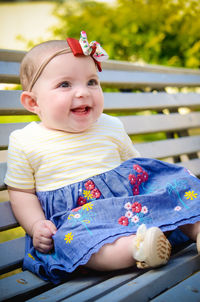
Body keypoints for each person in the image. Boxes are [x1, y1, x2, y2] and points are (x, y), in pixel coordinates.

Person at [4, 31, 200, 283]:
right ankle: (139, 248)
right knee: (78, 241)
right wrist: (35, 225)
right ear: (32, 102)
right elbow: (21, 192)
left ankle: (195, 227)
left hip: (131, 202)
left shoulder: (109, 125)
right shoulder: (25, 140)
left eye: (92, 82)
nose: (83, 92)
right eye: (65, 84)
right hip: (82, 217)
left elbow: (136, 167)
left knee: (171, 186)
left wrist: (158, 188)